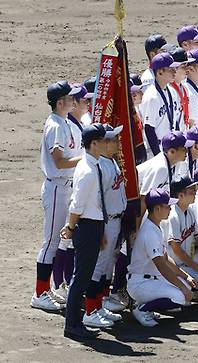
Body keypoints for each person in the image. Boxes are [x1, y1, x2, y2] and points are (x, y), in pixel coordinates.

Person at [60, 124, 119, 340]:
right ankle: (72, 324)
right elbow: (77, 205)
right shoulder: (87, 170)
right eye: (103, 141)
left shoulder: (93, 165)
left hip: (93, 226)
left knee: (82, 278)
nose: (107, 144)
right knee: (80, 279)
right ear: (94, 144)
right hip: (85, 227)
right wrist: (70, 227)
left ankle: (75, 322)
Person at [33, 81, 83, 313]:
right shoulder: (55, 125)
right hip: (56, 188)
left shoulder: (63, 122)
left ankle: (46, 289)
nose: (74, 100)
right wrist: (85, 160)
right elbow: (59, 161)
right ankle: (39, 293)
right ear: (60, 102)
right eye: (70, 98)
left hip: (65, 187)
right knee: (51, 242)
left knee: (57, 240)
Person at [128, 189, 196, 328]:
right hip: (140, 283)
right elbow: (160, 265)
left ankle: (147, 305)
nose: (170, 208)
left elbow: (165, 258)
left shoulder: (156, 226)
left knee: (186, 287)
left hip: (150, 280)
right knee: (180, 297)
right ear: (157, 208)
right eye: (167, 206)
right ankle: (142, 309)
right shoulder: (149, 231)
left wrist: (185, 276)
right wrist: (182, 288)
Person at [85, 124, 126, 327]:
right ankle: (90, 310)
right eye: (115, 140)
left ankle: (99, 307)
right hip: (106, 221)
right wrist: (101, 228)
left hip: (115, 220)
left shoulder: (111, 162)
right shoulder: (100, 166)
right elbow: (97, 199)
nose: (119, 142)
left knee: (107, 268)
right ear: (105, 143)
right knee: (98, 267)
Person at [141, 53, 182, 159]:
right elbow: (149, 128)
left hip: (172, 147)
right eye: (171, 69)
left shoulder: (172, 91)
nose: (175, 72)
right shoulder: (152, 96)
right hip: (157, 148)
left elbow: (174, 119)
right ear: (159, 72)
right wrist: (158, 156)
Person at [137, 130, 192, 208]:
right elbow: (144, 199)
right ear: (172, 151)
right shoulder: (161, 168)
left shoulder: (172, 163)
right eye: (183, 149)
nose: (187, 151)